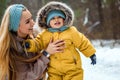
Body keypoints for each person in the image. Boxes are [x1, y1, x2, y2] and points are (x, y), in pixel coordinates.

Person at [26, 1, 97, 80]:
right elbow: (38, 43)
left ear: (64, 19)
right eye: (52, 18)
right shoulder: (45, 34)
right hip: (54, 70)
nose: (56, 20)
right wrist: (30, 44)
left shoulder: (71, 31)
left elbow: (83, 42)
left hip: (72, 69)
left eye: (59, 17)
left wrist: (91, 54)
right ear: (48, 22)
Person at [0, 4, 65, 80]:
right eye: (27, 22)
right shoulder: (11, 51)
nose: (33, 23)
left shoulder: (36, 37)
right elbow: (28, 77)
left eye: (31, 18)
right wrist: (46, 53)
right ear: (16, 27)